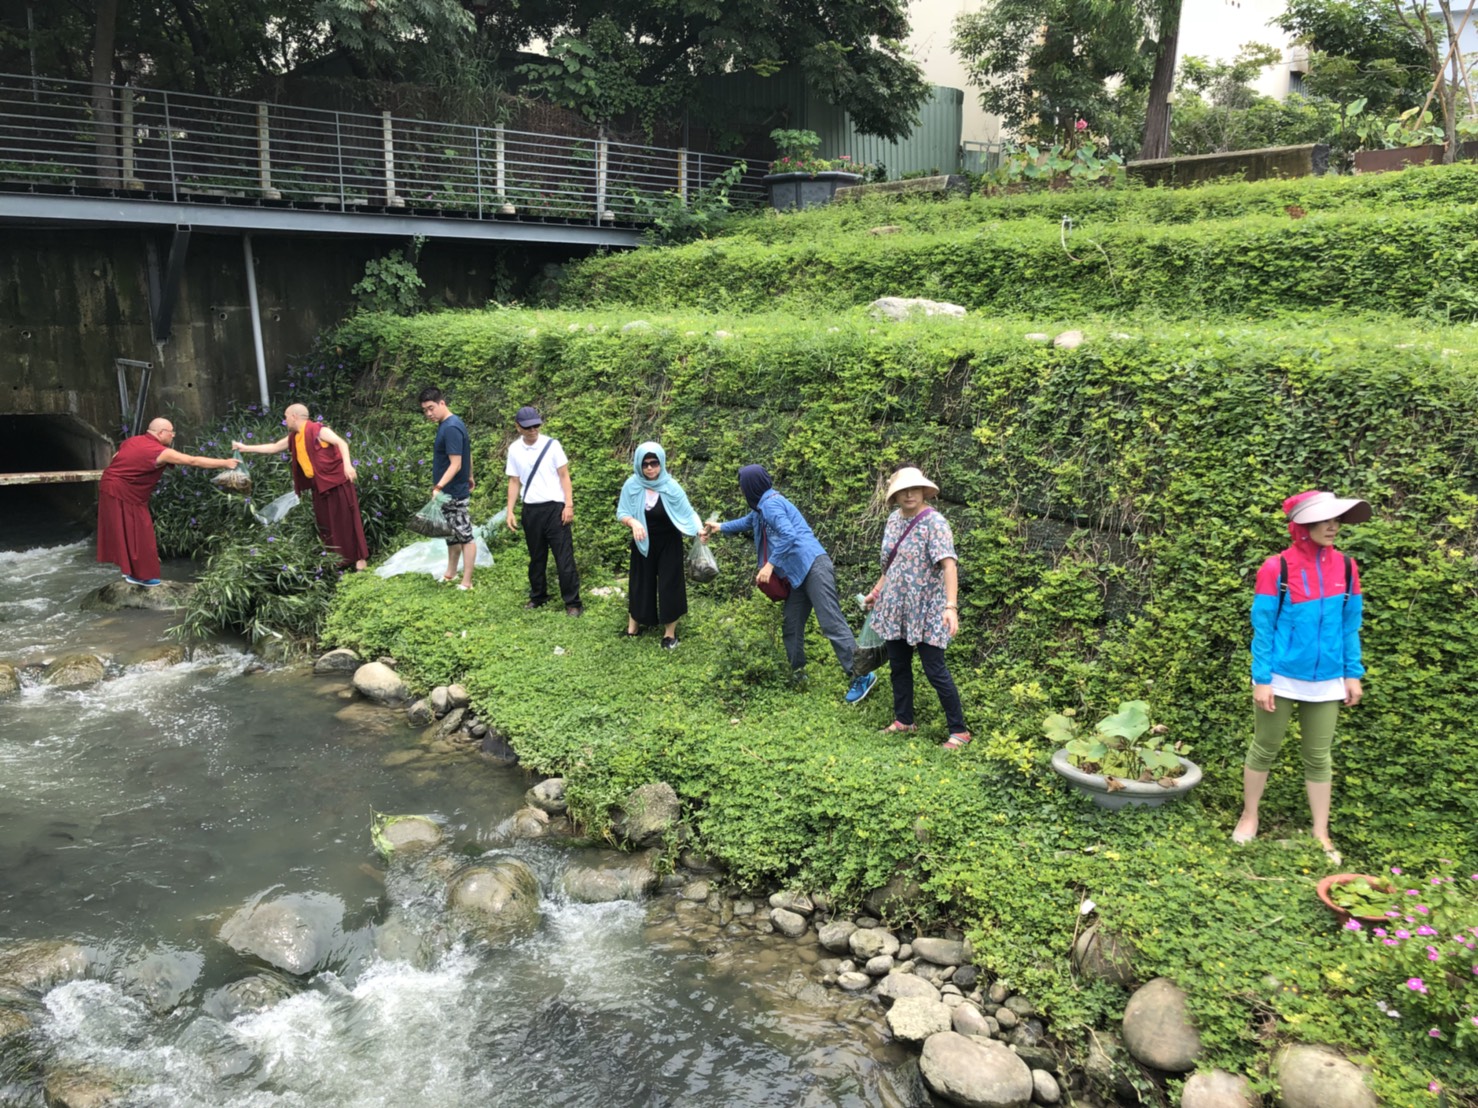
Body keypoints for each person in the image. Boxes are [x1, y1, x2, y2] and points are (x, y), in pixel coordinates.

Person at [1234, 489, 1369, 864]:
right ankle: (1249, 816)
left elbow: (1349, 626)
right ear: (1302, 524)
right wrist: (1262, 678)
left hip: (1327, 681)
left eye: (1336, 519)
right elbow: (1263, 627)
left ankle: (1320, 833)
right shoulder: (1276, 567)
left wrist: (1351, 673)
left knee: (1318, 756)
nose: (1333, 526)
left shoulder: (1346, 567)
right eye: (1323, 519)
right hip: (1280, 677)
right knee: (1265, 747)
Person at [703, 464, 874, 703]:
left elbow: (789, 534)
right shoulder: (762, 507)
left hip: (813, 566)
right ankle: (797, 672)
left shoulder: (771, 504)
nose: (742, 491)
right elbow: (747, 522)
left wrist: (770, 564)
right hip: (797, 575)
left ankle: (862, 675)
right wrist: (720, 527)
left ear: (750, 487)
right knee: (792, 624)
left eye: (743, 487)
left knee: (831, 622)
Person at [862, 467, 969, 748]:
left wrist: (951, 607)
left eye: (914, 489)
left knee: (935, 669)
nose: (909, 494)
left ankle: (959, 730)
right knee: (899, 665)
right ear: (895, 496)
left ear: (923, 491)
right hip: (895, 606)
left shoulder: (935, 523)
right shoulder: (893, 521)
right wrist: (876, 592)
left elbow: (949, 564)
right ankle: (904, 720)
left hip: (927, 609)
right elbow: (891, 565)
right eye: (902, 490)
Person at [95, 417, 240, 586]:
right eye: (172, 432)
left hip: (110, 485)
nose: (173, 436)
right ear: (161, 433)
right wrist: (225, 463)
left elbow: (116, 456)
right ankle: (140, 576)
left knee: (128, 529)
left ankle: (131, 571)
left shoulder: (132, 441)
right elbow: (192, 461)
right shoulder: (162, 452)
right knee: (141, 531)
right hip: (124, 491)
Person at [231, 403, 368, 571]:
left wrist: (348, 465)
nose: (285, 420)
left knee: (347, 519)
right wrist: (244, 448)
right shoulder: (295, 437)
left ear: (294, 416)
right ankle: (339, 560)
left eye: (286, 416)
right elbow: (274, 447)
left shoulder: (318, 430)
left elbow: (341, 443)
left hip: (337, 482)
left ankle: (360, 559)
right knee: (327, 523)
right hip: (319, 486)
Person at [616, 442, 701, 649]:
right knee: (639, 583)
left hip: (669, 542)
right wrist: (633, 522)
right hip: (642, 540)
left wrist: (699, 530)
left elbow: (688, 512)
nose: (650, 468)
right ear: (639, 465)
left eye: (654, 463)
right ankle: (633, 628)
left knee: (669, 584)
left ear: (661, 463)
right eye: (645, 464)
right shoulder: (632, 484)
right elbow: (622, 512)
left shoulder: (671, 486)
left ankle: (669, 634)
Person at [504, 405, 582, 616]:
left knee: (563, 557)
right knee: (536, 557)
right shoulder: (514, 450)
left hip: (555, 508)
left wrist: (569, 505)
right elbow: (514, 480)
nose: (533, 430)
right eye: (528, 427)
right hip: (531, 509)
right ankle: (538, 595)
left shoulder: (552, 445)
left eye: (536, 426)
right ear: (518, 427)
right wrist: (510, 510)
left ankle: (573, 602)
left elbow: (564, 475)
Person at [418, 387, 476, 590]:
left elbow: (456, 463)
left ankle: (467, 582)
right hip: (450, 489)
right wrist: (470, 476)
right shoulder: (451, 424)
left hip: (453, 491)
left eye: (431, 408)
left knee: (465, 535)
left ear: (442, 403)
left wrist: (439, 486)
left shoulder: (451, 427)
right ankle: (451, 573)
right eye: (425, 410)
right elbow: (467, 453)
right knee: (451, 534)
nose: (429, 414)